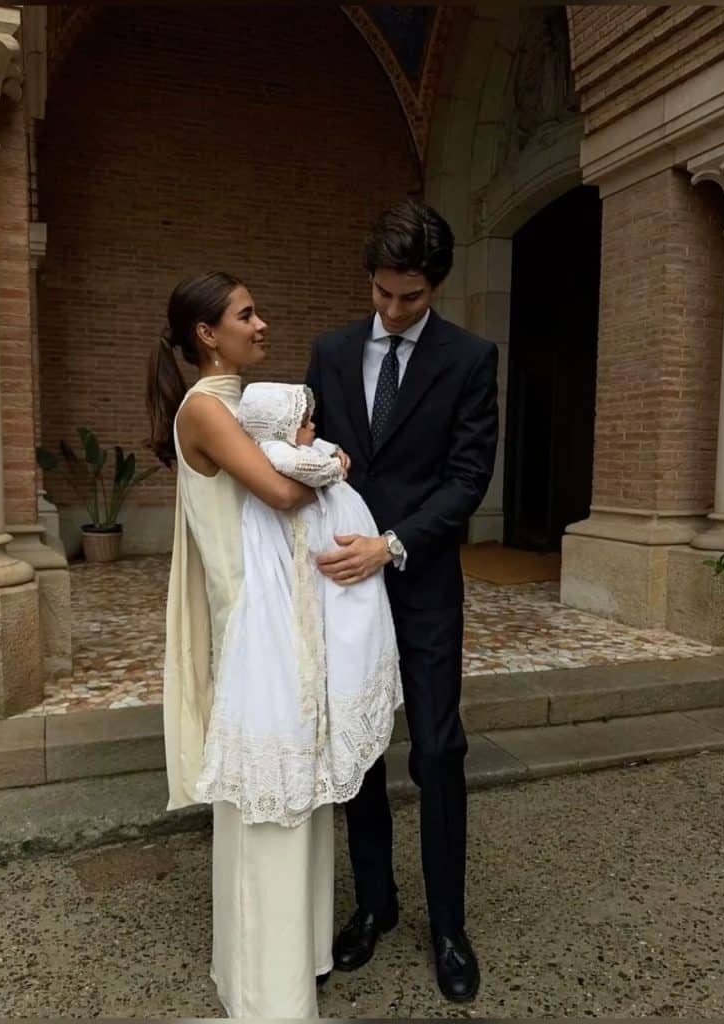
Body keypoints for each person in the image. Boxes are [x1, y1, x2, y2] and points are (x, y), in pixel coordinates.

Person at [305, 200, 499, 1002]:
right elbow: (311, 454)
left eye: (409, 297)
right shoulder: (332, 350)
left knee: (436, 750)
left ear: (435, 287)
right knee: (358, 753)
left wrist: (393, 542)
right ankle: (375, 905)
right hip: (344, 584)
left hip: (420, 584)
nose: (391, 310)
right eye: (382, 293)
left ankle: (448, 926)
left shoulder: (470, 358)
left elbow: (467, 479)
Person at [147, 272, 332, 1019]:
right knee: (268, 802)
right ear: (206, 334)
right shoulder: (205, 408)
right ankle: (267, 996)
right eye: (246, 315)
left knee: (294, 791)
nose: (262, 325)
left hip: (278, 609)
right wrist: (314, 458)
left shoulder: (238, 405)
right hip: (252, 621)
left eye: (258, 311)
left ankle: (294, 962)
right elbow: (283, 494)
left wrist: (297, 449)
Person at [195, 380, 403, 827]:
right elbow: (306, 469)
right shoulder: (274, 454)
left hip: (350, 568)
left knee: (355, 634)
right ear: (282, 427)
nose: (313, 427)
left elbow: (314, 451)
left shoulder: (295, 445)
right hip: (326, 570)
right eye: (304, 421)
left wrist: (329, 449)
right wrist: (333, 462)